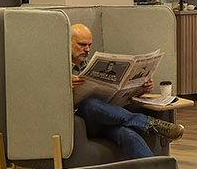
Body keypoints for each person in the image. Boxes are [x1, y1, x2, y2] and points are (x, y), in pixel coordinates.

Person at [72, 24, 183, 160]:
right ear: (68, 42)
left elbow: (119, 96)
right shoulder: (58, 67)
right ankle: (148, 124)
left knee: (128, 135)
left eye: (89, 45)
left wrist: (141, 89)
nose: (87, 49)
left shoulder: (89, 65)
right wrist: (64, 85)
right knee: (90, 104)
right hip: (83, 122)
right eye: (82, 45)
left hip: (107, 117)